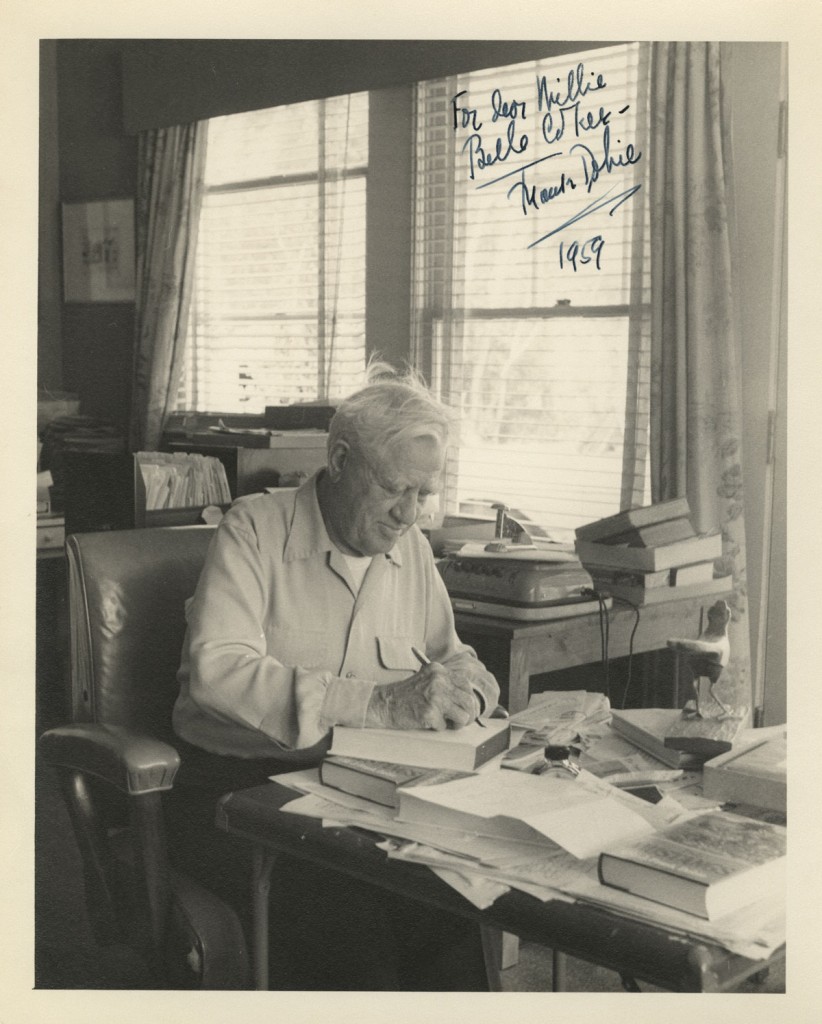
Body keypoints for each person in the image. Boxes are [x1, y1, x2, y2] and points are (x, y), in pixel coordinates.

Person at [170, 362, 500, 989]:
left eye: (424, 495)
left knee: (456, 913)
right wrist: (377, 706)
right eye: (396, 488)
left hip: (360, 791)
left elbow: (451, 655)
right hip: (239, 789)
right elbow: (217, 671)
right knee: (356, 941)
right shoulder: (254, 529)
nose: (411, 514)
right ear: (341, 459)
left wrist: (472, 691)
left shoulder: (410, 548)